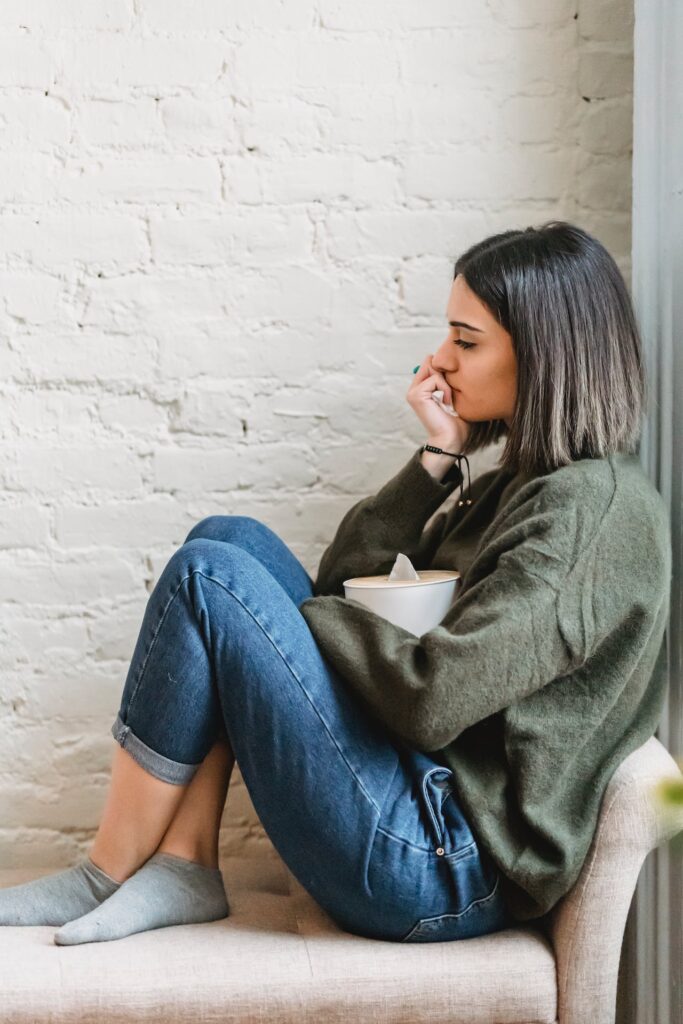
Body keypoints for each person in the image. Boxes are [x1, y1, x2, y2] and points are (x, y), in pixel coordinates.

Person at [0, 221, 671, 946]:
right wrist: (434, 463)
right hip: (416, 793)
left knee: (210, 578)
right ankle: (184, 860)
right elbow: (343, 582)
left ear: (542, 357)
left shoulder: (586, 516)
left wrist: (295, 618)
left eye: (465, 341)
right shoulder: (524, 480)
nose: (439, 359)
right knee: (228, 541)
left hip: (441, 862)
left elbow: (433, 696)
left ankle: (107, 870)